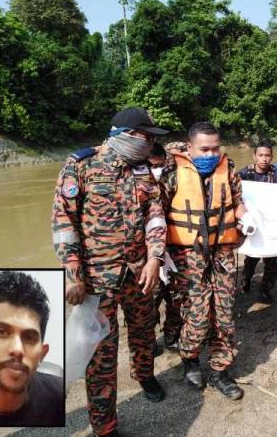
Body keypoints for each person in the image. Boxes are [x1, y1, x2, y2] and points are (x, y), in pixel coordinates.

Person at [52, 107, 168, 437]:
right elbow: (64, 223)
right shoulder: (81, 164)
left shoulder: (144, 170)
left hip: (138, 273)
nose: (149, 145)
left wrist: (155, 258)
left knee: (144, 330)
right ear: (126, 135)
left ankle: (144, 374)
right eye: (146, 138)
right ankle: (105, 426)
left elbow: (155, 217)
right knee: (100, 355)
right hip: (95, 280)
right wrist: (73, 273)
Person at [159, 122, 256, 400]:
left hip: (223, 253)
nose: (211, 154)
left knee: (225, 314)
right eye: (204, 149)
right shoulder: (172, 171)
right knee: (197, 316)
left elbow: (238, 201)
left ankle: (219, 369)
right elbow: (156, 213)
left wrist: (245, 217)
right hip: (186, 255)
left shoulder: (229, 169)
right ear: (189, 147)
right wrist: (160, 255)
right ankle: (190, 358)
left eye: (215, 148)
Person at [0, 271, 64, 427]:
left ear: (42, 354)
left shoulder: (58, 397)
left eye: (29, 337)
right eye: (2, 332)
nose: (17, 349)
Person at [238, 139, 277, 304]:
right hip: (253, 223)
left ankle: (265, 290)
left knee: (274, 259)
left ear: (271, 157)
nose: (264, 159)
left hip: (271, 223)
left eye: (267, 155)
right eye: (261, 155)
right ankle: (246, 280)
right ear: (254, 156)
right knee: (251, 257)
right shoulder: (244, 174)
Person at [148, 141, 183, 352]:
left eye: (159, 165)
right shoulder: (135, 184)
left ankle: (171, 337)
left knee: (176, 298)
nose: (156, 170)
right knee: (150, 299)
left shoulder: (174, 177)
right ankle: (149, 341)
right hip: (149, 254)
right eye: (152, 166)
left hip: (174, 249)